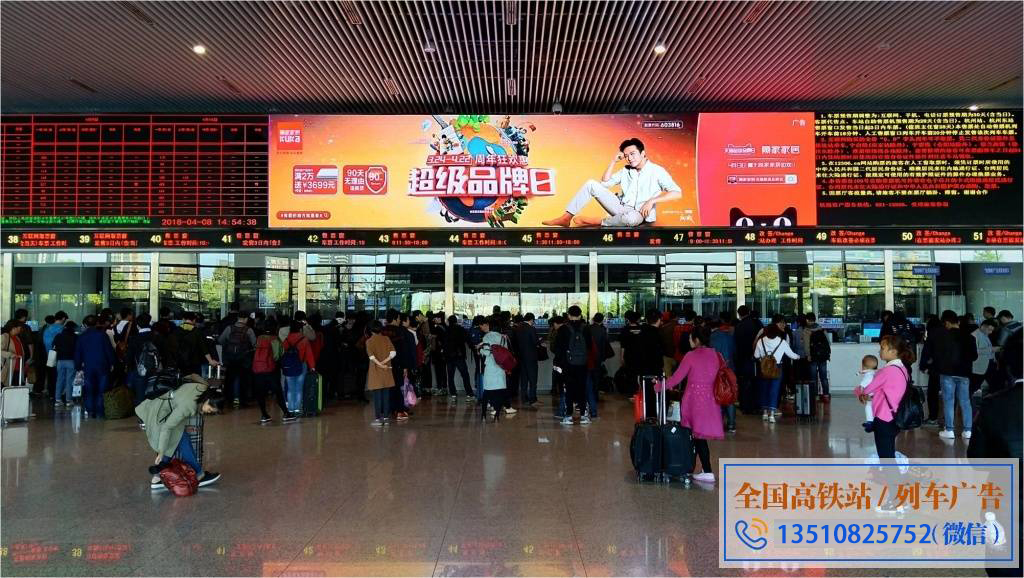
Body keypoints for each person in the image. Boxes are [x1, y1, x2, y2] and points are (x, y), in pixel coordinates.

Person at [542, 138, 684, 228]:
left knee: (631, 219)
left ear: (643, 153)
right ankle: (566, 218)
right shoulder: (626, 170)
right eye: (626, 156)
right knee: (591, 184)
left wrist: (652, 201)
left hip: (640, 213)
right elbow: (604, 183)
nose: (629, 158)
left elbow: (677, 192)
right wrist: (613, 162)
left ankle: (599, 221)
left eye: (632, 154)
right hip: (621, 207)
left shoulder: (657, 171)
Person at [854, 335, 915, 514]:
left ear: (893, 351)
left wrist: (859, 391)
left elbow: (867, 389)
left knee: (887, 460)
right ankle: (899, 498)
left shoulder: (888, 371)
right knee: (889, 458)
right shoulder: (902, 369)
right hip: (894, 418)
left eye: (883, 348)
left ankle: (897, 500)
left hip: (884, 419)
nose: (880, 351)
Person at [658, 326, 724, 483]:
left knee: (695, 437)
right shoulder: (717, 355)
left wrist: (658, 386)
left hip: (694, 401)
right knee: (699, 437)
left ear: (697, 340)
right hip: (711, 400)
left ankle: (703, 469)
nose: (688, 340)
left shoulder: (691, 356)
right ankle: (701, 469)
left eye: (690, 338)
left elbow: (676, 378)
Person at [137, 376, 222, 489]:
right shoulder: (189, 406)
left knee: (179, 438)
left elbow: (192, 376)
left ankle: (158, 476)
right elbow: (166, 427)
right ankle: (198, 474)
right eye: (210, 409)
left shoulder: (203, 388)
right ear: (207, 400)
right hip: (158, 415)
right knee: (179, 438)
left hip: (162, 407)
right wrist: (161, 451)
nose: (209, 412)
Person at [932, 310, 977, 439]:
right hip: (964, 373)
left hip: (947, 373)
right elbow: (974, 356)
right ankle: (968, 430)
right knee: (965, 402)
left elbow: (937, 355)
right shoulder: (970, 337)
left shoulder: (942, 337)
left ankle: (949, 430)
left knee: (948, 401)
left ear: (947, 323)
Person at [753, 324, 800, 423]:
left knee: (764, 389)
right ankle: (772, 415)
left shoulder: (761, 341)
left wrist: (763, 358)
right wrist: (798, 356)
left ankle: (765, 413)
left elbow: (756, 355)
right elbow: (791, 355)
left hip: (764, 368)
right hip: (777, 368)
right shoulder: (782, 342)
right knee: (774, 390)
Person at [554, 306, 592, 425]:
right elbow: (590, 346)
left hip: (567, 364)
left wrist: (558, 364)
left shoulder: (563, 329)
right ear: (580, 315)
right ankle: (584, 416)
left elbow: (558, 348)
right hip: (582, 364)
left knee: (568, 390)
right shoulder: (586, 328)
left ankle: (568, 416)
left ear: (569, 315)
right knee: (582, 389)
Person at [74, 315, 116, 418]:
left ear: (85, 325)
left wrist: (78, 366)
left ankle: (90, 410)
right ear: (97, 323)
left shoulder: (81, 337)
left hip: (88, 367)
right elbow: (108, 350)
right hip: (102, 365)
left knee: (89, 389)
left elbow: (78, 353)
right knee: (102, 390)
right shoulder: (102, 335)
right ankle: (100, 409)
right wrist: (112, 363)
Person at [252, 323, 291, 424]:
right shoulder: (275, 339)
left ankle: (264, 415)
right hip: (271, 370)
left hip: (258, 369)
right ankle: (286, 413)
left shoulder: (259, 338)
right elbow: (278, 355)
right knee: (278, 392)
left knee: (260, 393)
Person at [218, 312, 257, 408]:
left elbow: (220, 341)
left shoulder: (229, 328)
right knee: (244, 381)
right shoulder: (249, 330)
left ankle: (228, 401)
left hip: (230, 359)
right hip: (244, 360)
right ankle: (242, 401)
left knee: (229, 380)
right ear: (246, 319)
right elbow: (255, 344)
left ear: (238, 318)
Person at [281, 320, 317, 418]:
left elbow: (282, 353)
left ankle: (290, 409)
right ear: (300, 329)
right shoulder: (304, 340)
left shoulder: (286, 340)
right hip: (301, 365)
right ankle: (297, 409)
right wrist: (312, 366)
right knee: (299, 388)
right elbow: (309, 354)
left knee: (290, 388)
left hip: (289, 366)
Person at [125, 314, 162, 408]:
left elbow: (129, 357)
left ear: (138, 325)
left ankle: (141, 413)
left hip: (140, 370)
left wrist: (128, 367)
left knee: (140, 396)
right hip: (156, 369)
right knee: (155, 393)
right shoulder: (157, 336)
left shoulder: (134, 338)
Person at [365, 320, 396, 426]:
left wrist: (380, 364)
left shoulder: (369, 341)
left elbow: (372, 357)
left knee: (377, 396)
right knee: (386, 395)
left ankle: (378, 419)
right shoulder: (386, 339)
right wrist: (384, 363)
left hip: (376, 372)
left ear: (370, 330)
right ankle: (386, 418)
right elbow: (393, 353)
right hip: (387, 371)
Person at [710, 313, 737, 433]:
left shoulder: (712, 337)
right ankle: (731, 424)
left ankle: (718, 422)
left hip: (717, 370)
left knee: (718, 394)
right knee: (730, 395)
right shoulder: (730, 336)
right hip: (730, 369)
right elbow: (735, 352)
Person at [733, 305, 763, 415]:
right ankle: (756, 405)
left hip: (742, 358)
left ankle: (745, 405)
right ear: (749, 312)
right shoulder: (756, 324)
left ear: (739, 314)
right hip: (754, 357)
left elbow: (736, 343)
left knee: (743, 382)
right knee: (755, 381)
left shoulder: (738, 326)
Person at [479, 317, 508, 422]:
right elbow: (506, 352)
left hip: (490, 366)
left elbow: (487, 352)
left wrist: (480, 350)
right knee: (500, 392)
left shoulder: (487, 337)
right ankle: (497, 416)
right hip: (500, 367)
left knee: (487, 391)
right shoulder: (503, 337)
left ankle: (483, 415)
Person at [802, 312, 832, 401]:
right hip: (823, 357)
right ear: (815, 319)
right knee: (824, 377)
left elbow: (806, 345)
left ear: (807, 320)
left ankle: (815, 396)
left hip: (813, 357)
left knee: (813, 378)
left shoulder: (806, 331)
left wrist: (808, 355)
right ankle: (826, 395)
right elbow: (828, 342)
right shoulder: (822, 329)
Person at [513, 312, 541, 407]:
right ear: (531, 320)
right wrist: (540, 341)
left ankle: (524, 398)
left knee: (524, 378)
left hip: (520, 357)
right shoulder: (531, 329)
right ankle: (533, 399)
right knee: (533, 378)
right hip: (531, 357)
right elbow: (535, 342)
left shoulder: (518, 328)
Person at [444, 314, 474, 401]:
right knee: (465, 375)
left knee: (450, 376)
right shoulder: (461, 329)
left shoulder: (446, 330)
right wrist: (473, 348)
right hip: (459, 356)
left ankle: (453, 394)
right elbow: (468, 340)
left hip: (449, 357)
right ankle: (469, 393)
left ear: (449, 321)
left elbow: (444, 343)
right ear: (456, 321)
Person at [52, 321, 79, 407]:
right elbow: (78, 349)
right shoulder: (75, 337)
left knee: (59, 380)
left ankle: (58, 400)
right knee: (69, 380)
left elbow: (53, 347)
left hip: (60, 361)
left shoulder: (58, 336)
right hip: (71, 361)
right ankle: (68, 400)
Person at [971, 319, 999, 397]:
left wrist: (994, 359)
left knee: (992, 382)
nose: (991, 332)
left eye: (992, 330)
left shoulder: (984, 334)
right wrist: (992, 349)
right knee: (976, 384)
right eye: (989, 330)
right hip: (981, 364)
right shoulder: (974, 335)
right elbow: (974, 351)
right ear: (983, 326)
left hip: (988, 362)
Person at [1, 320, 27, 388]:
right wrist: (11, 355)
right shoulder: (5, 336)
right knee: (8, 388)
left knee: (16, 388)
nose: (20, 329)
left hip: (18, 368)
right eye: (19, 328)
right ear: (13, 328)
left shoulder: (17, 338)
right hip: (9, 368)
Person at [857, 355, 880, 432]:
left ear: (864, 367)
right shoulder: (875, 373)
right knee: (874, 408)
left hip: (870, 396)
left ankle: (870, 422)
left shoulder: (868, 376)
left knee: (868, 407)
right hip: (876, 395)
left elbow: (862, 386)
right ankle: (873, 421)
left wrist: (860, 394)